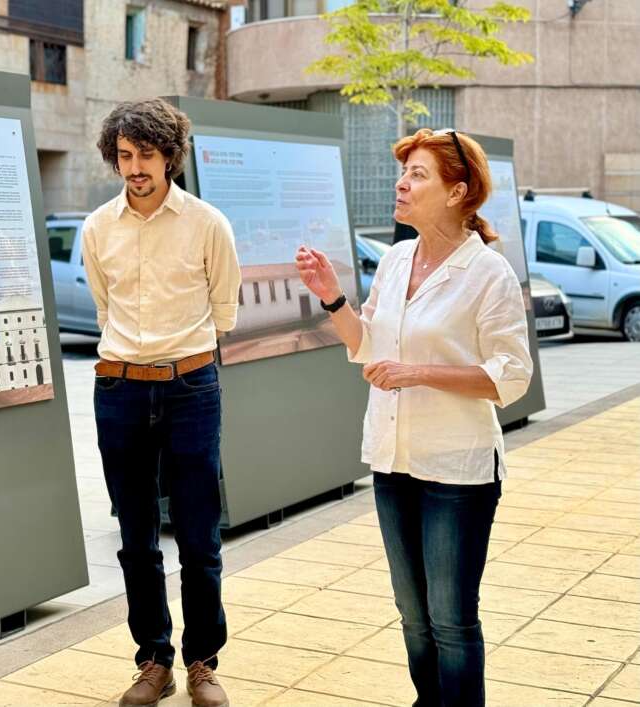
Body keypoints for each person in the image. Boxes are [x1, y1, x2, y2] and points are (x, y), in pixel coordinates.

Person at [295, 128, 532, 707]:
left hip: (457, 469)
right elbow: (368, 347)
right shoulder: (397, 259)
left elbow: (511, 375)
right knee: (412, 614)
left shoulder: (488, 272)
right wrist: (332, 297)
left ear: (457, 192)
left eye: (417, 174)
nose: (401, 184)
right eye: (403, 173)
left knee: (451, 619)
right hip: (393, 458)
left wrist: (419, 372)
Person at [82, 98, 241, 707]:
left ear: (170, 156)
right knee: (136, 536)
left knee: (199, 535)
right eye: (124, 155)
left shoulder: (207, 223)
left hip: (191, 387)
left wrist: (177, 359)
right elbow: (105, 308)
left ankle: (203, 662)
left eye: (146, 155)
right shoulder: (99, 228)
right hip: (119, 387)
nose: (135, 168)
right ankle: (154, 660)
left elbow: (224, 310)